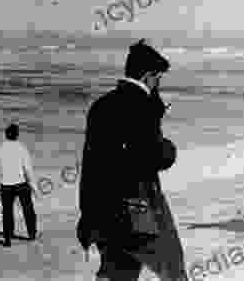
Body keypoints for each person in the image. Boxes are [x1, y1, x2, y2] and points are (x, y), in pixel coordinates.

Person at [77, 39, 186, 281]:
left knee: (117, 273)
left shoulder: (100, 106)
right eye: (158, 78)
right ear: (148, 76)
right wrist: (169, 150)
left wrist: (87, 215)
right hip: (139, 211)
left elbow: (90, 166)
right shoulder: (143, 106)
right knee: (173, 269)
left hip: (102, 210)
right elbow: (152, 155)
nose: (158, 84)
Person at [0, 123, 38, 246]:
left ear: (6, 134)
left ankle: (7, 238)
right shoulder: (22, 148)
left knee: (6, 212)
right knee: (28, 209)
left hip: (5, 185)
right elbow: (28, 169)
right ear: (17, 134)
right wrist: (33, 186)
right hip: (21, 184)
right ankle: (31, 234)